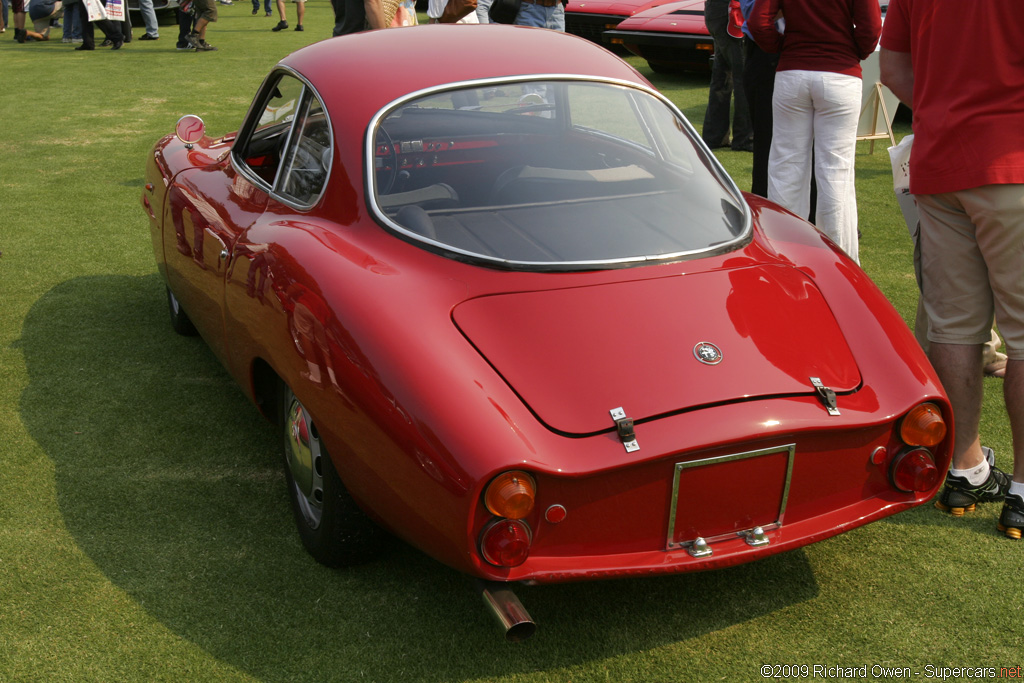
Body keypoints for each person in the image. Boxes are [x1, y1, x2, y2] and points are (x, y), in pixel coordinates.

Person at [880, 0, 1024, 539]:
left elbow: (893, 68)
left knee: (954, 327)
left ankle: (963, 470)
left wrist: (948, 107)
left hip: (942, 161)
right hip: (1011, 158)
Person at [748, 0, 880, 264]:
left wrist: (784, 47)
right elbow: (871, 27)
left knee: (786, 166)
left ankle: (784, 254)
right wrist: (852, 51)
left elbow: (757, 22)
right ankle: (839, 261)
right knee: (836, 170)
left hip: (794, 72)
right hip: (840, 74)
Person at [701, 0, 752, 152]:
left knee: (722, 77)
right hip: (730, 13)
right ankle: (744, 138)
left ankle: (715, 136)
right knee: (742, 78)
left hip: (719, 11)